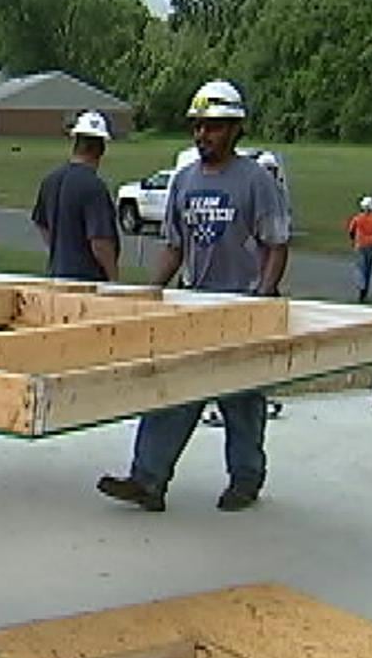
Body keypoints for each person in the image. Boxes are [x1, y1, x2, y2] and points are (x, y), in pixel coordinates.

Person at [97, 80, 291, 513]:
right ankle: (148, 480)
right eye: (199, 127)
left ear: (235, 129)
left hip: (240, 305)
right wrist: (153, 290)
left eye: (214, 127)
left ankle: (245, 480)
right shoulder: (183, 181)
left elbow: (275, 245)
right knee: (170, 389)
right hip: (193, 303)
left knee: (241, 401)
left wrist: (262, 296)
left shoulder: (257, 181)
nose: (204, 135)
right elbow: (174, 246)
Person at [31, 110, 120, 281]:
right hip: (87, 282)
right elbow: (100, 242)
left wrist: (60, 249)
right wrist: (113, 278)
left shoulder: (50, 180)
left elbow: (41, 224)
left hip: (56, 277)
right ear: (101, 149)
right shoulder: (94, 187)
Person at [347, 196, 372, 302]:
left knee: (360, 267)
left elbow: (351, 231)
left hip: (360, 244)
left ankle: (361, 286)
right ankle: (365, 289)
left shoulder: (357, 218)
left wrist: (354, 240)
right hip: (371, 245)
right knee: (368, 268)